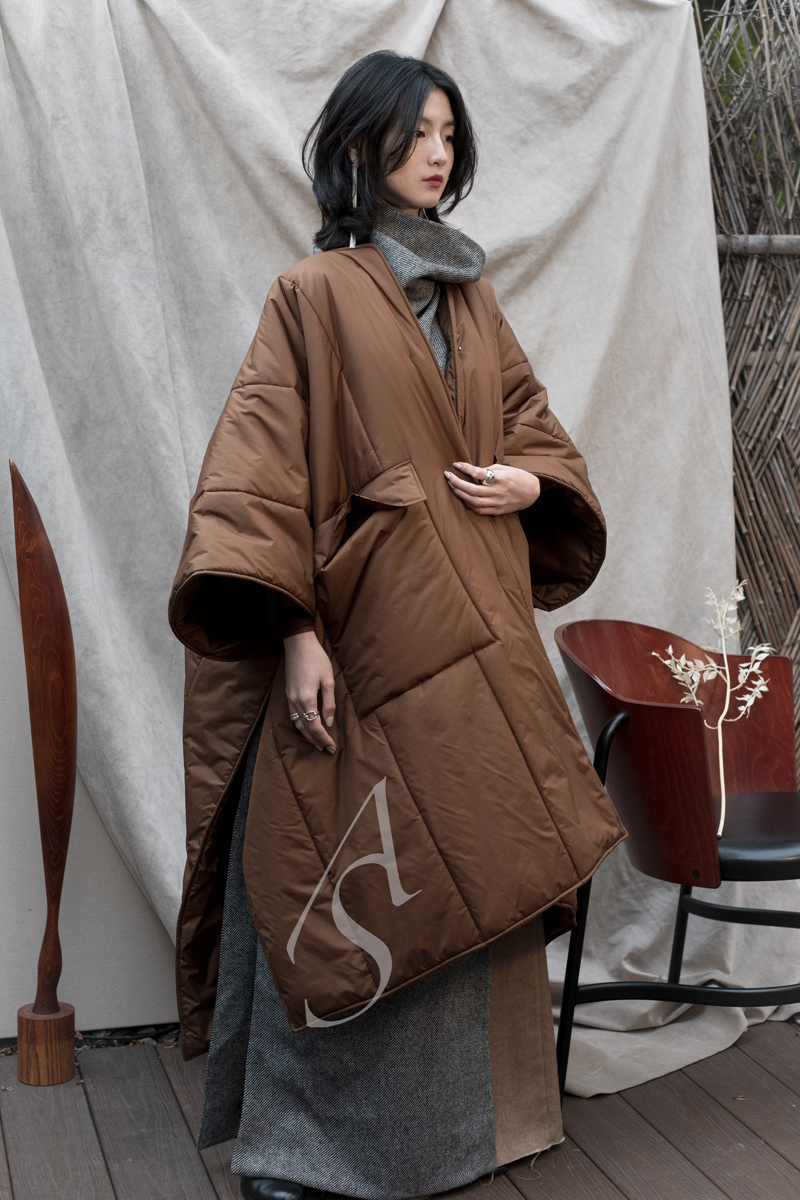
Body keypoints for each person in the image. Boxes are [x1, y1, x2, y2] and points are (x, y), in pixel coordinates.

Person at [169, 49, 625, 1200]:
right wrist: (294, 634)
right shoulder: (312, 294)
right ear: (358, 146)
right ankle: (305, 1151)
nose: (435, 153)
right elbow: (259, 476)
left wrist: (530, 483)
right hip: (361, 639)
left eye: (447, 136)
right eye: (414, 133)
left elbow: (528, 422)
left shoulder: (469, 297)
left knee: (477, 850)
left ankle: (474, 1135)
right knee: (354, 878)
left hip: (473, 630)